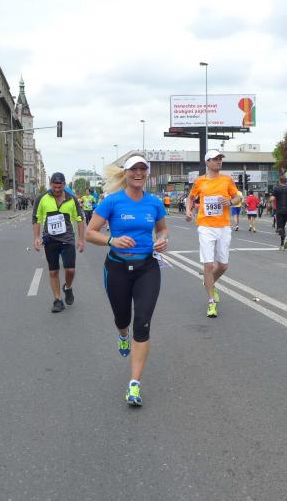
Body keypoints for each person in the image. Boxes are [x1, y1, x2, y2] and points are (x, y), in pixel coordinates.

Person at [86, 155, 168, 406]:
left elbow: (162, 229)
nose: (138, 173)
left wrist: (162, 239)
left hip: (147, 268)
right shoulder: (112, 201)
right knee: (122, 319)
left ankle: (134, 384)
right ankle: (123, 335)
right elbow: (90, 233)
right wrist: (112, 240)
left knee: (142, 322)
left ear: (147, 173)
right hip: (117, 268)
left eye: (143, 169)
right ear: (126, 173)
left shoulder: (154, 203)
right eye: (134, 169)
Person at [186, 149, 242, 318]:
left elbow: (238, 197)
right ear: (207, 162)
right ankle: (211, 302)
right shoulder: (199, 181)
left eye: (220, 158)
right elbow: (191, 197)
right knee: (208, 265)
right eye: (215, 159)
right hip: (205, 226)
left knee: (223, 265)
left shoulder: (227, 180)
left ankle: (209, 282)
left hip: (223, 226)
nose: (219, 161)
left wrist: (230, 201)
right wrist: (188, 211)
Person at [33, 172, 85, 313]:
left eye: (60, 186)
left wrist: (81, 239)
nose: (57, 189)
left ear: (64, 185)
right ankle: (57, 300)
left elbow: (80, 219)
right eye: (54, 186)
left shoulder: (72, 199)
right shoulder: (42, 198)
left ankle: (68, 287)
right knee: (54, 271)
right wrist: (36, 237)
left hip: (67, 239)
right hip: (50, 240)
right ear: (51, 184)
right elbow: (36, 218)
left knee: (70, 270)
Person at [270, 176, 287, 250]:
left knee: (279, 228)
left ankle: (285, 238)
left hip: (279, 210)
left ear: (279, 181)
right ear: (286, 181)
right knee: (282, 227)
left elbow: (272, 198)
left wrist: (270, 199)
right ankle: (282, 244)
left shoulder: (276, 188)